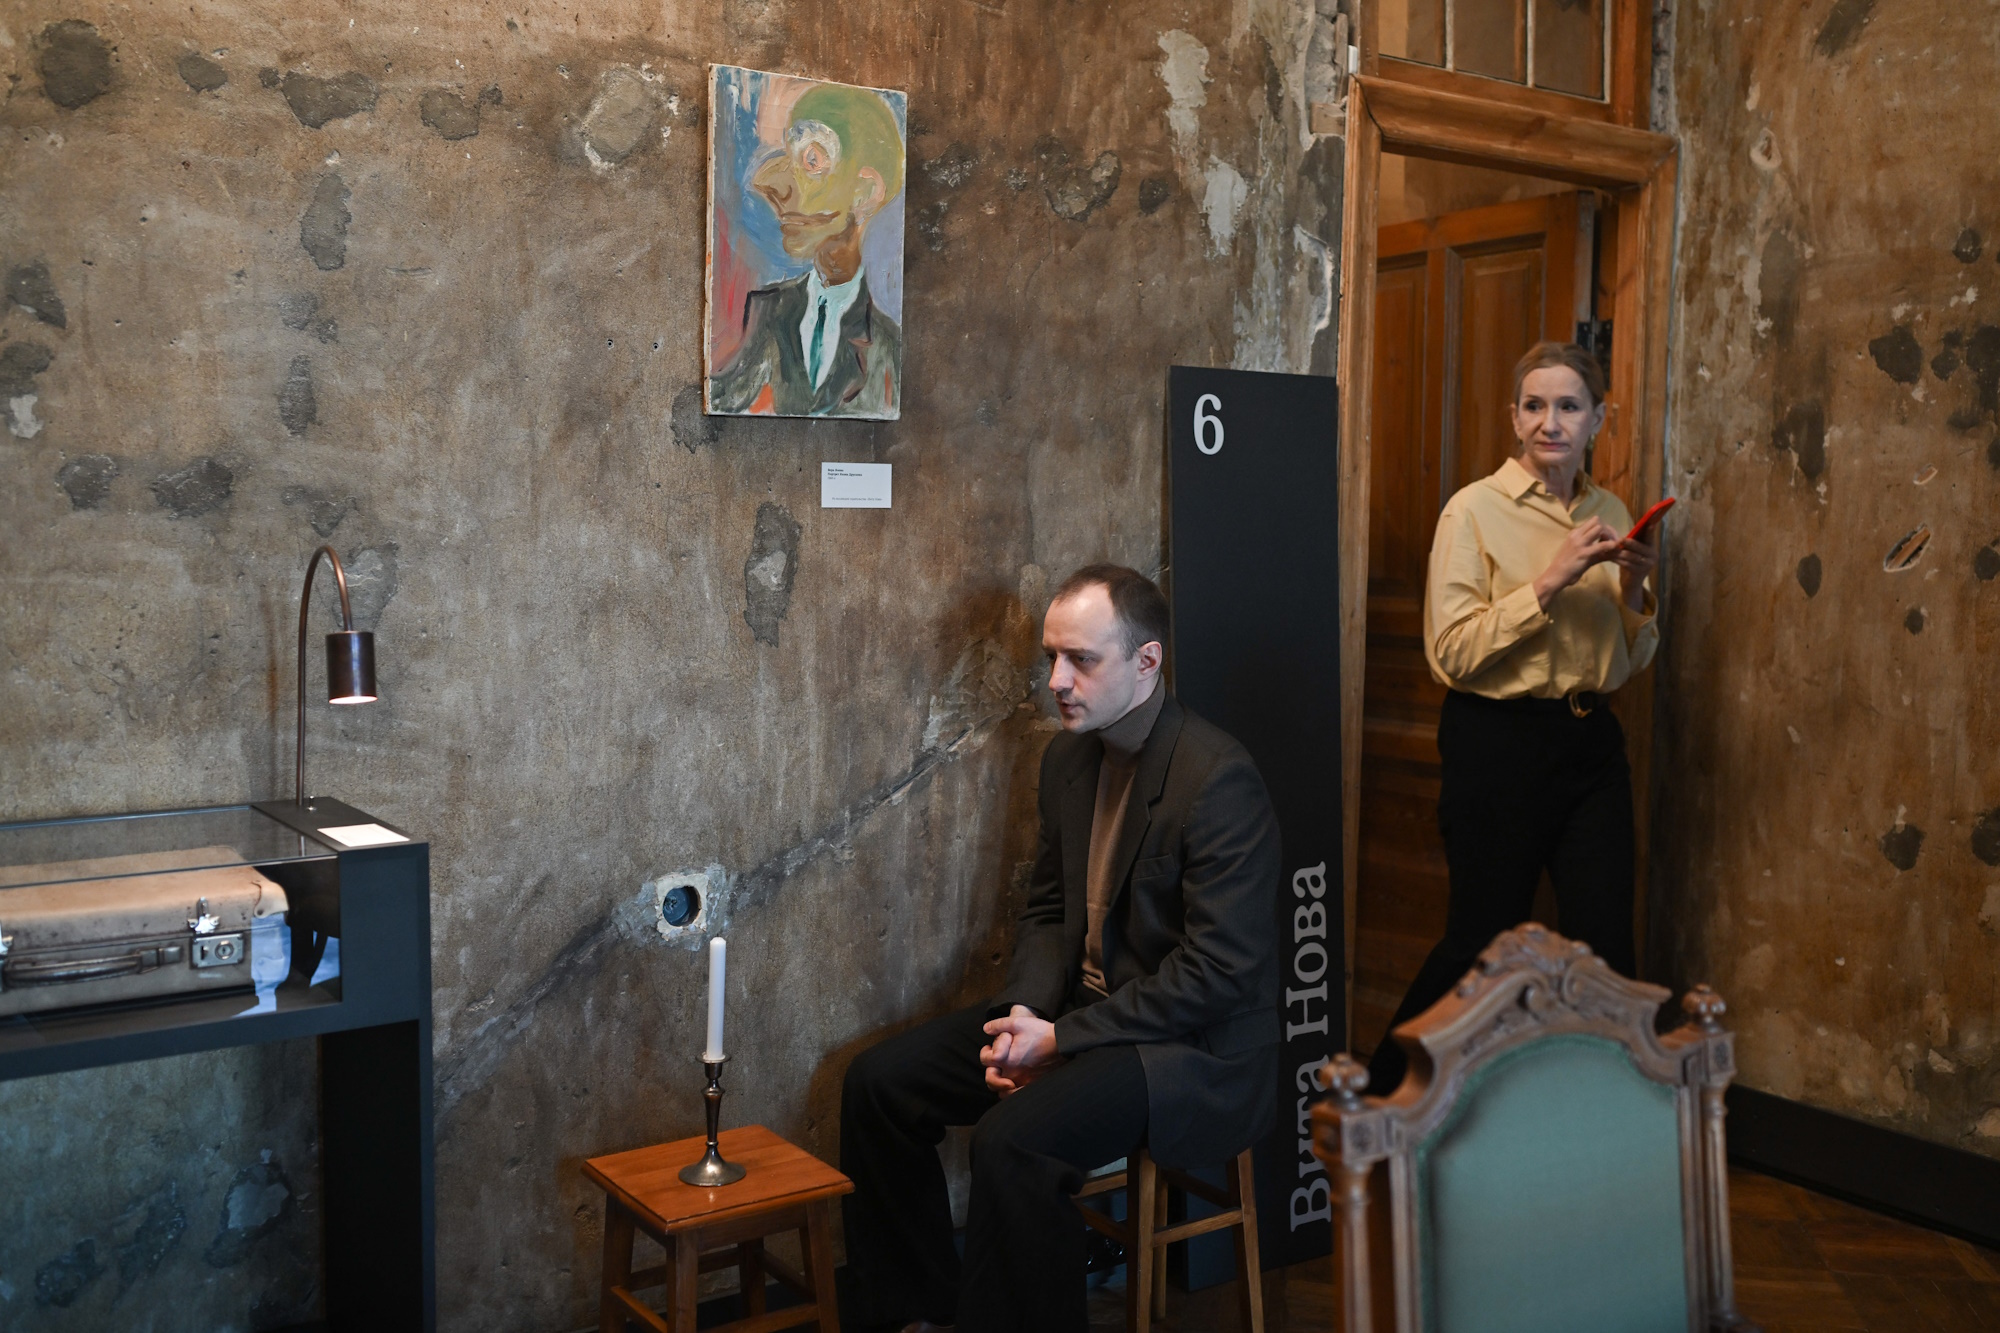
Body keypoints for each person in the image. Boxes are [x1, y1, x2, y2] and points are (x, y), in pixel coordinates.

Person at [840, 564, 1281, 1333]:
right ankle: (917, 1316)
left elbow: (1218, 974)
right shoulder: (1068, 761)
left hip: (1190, 1050)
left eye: (1082, 659)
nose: (1056, 681)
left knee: (1015, 1141)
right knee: (879, 1085)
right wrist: (1024, 1016)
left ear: (1147, 661)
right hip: (1080, 1012)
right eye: (1051, 656)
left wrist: (1061, 1038)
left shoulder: (1218, 779)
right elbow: (1047, 911)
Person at [1366, 342, 1660, 1095]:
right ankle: (1370, 1104)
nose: (1549, 422)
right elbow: (1451, 653)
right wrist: (1552, 578)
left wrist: (1634, 593)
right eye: (1534, 405)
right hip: (1497, 742)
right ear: (1514, 416)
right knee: (1479, 943)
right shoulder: (1472, 510)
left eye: (1568, 406)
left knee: (1606, 949)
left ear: (1598, 419)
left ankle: (1599, 1117)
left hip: (1591, 744)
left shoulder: (1610, 511)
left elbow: (1625, 663)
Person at [707, 82, 903, 417]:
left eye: (812, 160)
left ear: (866, 193)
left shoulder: (889, 347)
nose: (770, 188)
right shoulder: (767, 311)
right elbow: (726, 403)